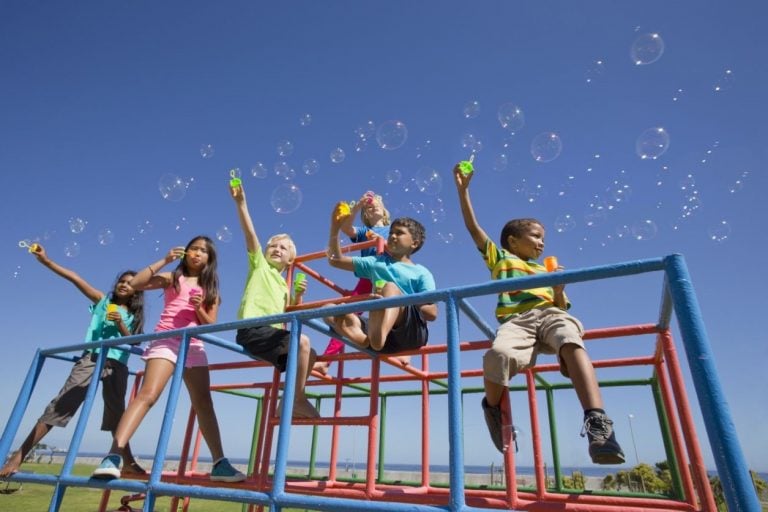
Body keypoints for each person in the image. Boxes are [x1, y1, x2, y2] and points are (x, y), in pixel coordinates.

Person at [452, 163, 625, 464]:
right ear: (512, 241)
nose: (542, 242)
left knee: (571, 337)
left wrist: (557, 287)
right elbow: (473, 228)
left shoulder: (543, 270)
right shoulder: (500, 258)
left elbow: (559, 307)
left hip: (548, 314)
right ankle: (492, 408)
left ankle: (598, 423)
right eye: (535, 235)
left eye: (543, 237)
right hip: (516, 321)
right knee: (498, 355)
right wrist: (463, 190)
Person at [91, 236, 245, 482]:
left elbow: (210, 326)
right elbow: (137, 284)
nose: (197, 253)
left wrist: (198, 308)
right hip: (167, 340)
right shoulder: (173, 278)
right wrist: (165, 259)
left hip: (193, 343)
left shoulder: (212, 290)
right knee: (148, 394)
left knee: (204, 402)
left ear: (209, 259)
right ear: (185, 253)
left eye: (203, 251)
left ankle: (219, 463)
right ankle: (114, 456)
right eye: (193, 248)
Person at [0, 244, 146, 478]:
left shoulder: (134, 316)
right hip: (92, 358)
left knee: (118, 414)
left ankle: (126, 461)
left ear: (136, 291)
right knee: (61, 404)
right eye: (122, 280)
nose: (124, 284)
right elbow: (75, 278)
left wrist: (120, 322)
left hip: (117, 365)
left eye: (131, 283)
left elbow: (134, 342)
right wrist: (47, 261)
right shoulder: (102, 301)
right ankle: (18, 457)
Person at [230, 183, 320, 419]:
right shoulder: (259, 266)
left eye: (284, 248)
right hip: (252, 330)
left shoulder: (283, 284)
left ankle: (288, 402)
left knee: (312, 356)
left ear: (291, 260)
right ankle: (296, 400)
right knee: (303, 343)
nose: (277, 249)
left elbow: (293, 310)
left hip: (271, 336)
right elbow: (250, 235)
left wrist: (298, 294)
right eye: (273, 246)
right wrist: (241, 204)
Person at [325, 208, 438, 357]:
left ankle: (377, 336)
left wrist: (397, 300)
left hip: (409, 333)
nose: (392, 236)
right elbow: (336, 261)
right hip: (377, 329)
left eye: (399, 233)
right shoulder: (377, 263)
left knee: (389, 288)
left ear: (414, 243)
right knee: (329, 310)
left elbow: (432, 313)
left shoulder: (421, 272)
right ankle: (363, 338)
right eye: (391, 233)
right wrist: (335, 228)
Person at [313, 191, 393, 375]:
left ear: (385, 212)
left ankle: (404, 354)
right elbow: (347, 228)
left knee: (397, 311)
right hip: (367, 279)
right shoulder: (365, 232)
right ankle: (327, 362)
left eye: (377, 205)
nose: (372, 207)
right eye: (368, 208)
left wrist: (383, 242)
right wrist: (357, 206)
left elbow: (402, 250)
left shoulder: (393, 230)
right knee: (342, 316)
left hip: (390, 278)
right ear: (365, 216)